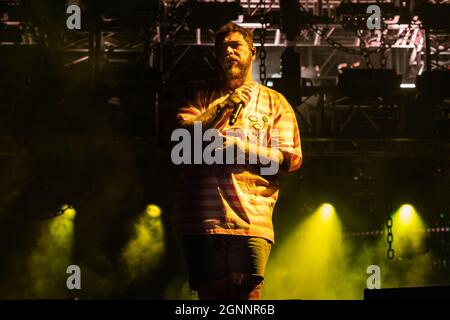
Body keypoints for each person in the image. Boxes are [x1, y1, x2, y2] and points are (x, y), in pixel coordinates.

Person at [171, 22, 302, 300]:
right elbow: (181, 139)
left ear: (252, 52)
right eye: (222, 49)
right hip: (201, 220)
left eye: (235, 46)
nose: (228, 52)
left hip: (250, 219)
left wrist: (243, 150)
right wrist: (224, 104)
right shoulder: (198, 93)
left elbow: (287, 160)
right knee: (210, 299)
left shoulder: (275, 102)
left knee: (248, 299)